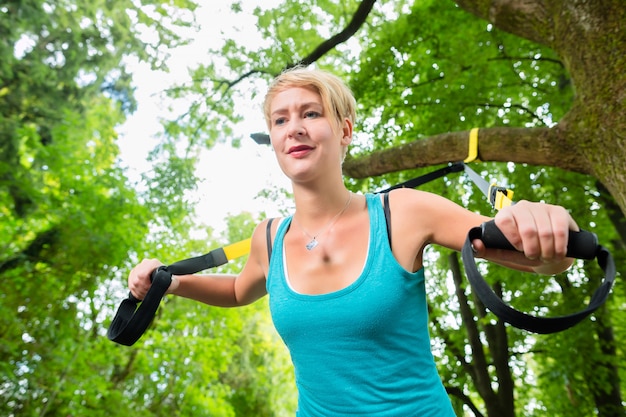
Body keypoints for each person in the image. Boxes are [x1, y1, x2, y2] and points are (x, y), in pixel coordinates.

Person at [128, 67, 578, 416]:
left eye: (311, 113)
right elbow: (237, 289)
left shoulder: (402, 213)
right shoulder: (268, 235)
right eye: (280, 120)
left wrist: (548, 229)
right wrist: (173, 283)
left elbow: (541, 260)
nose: (294, 128)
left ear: (344, 131)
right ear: (275, 143)